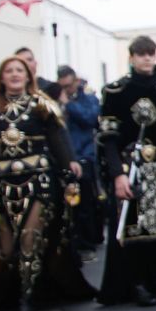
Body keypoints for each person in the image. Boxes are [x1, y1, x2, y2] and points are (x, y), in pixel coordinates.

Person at [0, 56, 95, 311]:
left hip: (39, 182)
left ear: (28, 75)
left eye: (19, 70)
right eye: (9, 71)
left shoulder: (42, 105)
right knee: (7, 247)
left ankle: (28, 300)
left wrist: (70, 165)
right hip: (1, 185)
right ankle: (12, 293)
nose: (14, 74)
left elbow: (58, 139)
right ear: (1, 76)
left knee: (31, 239)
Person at [97, 38, 156, 307]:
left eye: (150, 54)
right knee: (133, 228)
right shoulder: (115, 92)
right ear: (132, 58)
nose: (146, 59)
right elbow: (108, 139)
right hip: (131, 165)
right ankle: (138, 284)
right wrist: (117, 174)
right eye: (141, 54)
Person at [57, 65, 103, 255]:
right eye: (63, 87)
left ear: (75, 81)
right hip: (66, 157)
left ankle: (89, 240)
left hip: (84, 156)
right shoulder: (56, 102)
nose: (66, 90)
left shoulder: (88, 99)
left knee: (86, 202)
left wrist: (68, 104)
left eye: (69, 86)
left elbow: (91, 118)